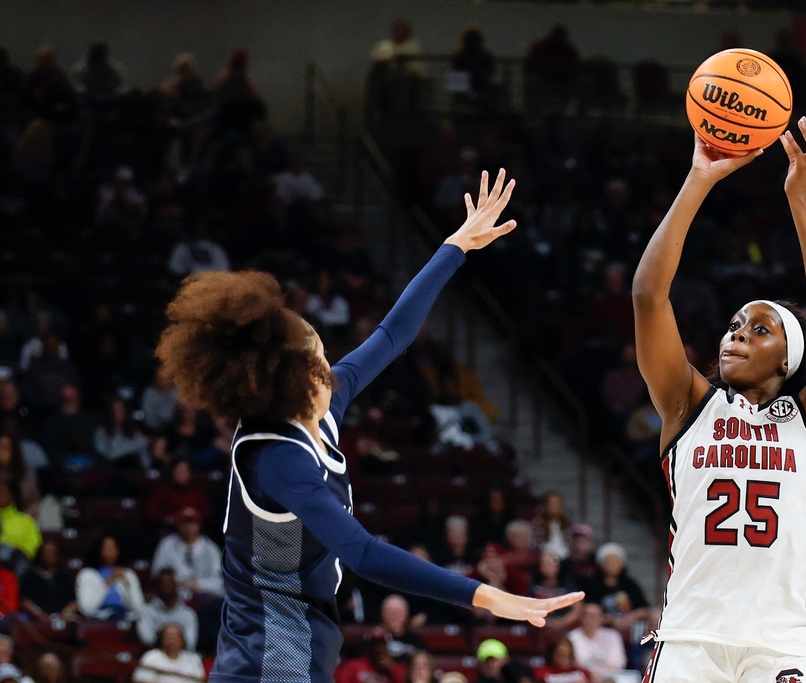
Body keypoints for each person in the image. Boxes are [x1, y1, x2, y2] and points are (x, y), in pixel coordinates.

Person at [155, 170, 582, 682]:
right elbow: (363, 553)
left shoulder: (323, 408)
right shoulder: (278, 459)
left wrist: (456, 246)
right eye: (318, 352)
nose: (330, 357)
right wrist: (486, 596)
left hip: (298, 646)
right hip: (272, 658)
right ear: (298, 376)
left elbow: (393, 334)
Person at [631, 119, 806, 683]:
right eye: (735, 324)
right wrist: (697, 179)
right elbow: (647, 295)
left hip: (782, 643)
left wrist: (799, 199)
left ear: (789, 358)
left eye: (760, 330)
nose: (737, 333)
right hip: (689, 640)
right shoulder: (688, 406)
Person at [75, 534, 146, 621]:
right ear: (99, 550)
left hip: (125, 617)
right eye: (106, 547)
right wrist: (107, 582)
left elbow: (139, 607)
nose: (110, 550)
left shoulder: (128, 574)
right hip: (99, 618)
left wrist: (127, 585)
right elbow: (87, 608)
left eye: (113, 547)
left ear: (118, 551)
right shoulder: (87, 575)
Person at [137, 569, 199, 652]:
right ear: (156, 587)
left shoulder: (188, 614)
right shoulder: (146, 611)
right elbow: (146, 639)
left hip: (183, 657)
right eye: (162, 584)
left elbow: (190, 643)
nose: (165, 587)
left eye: (169, 583)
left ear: (176, 585)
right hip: (156, 655)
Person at [133, 623, 206, 683]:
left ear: (183, 640)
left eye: (175, 637)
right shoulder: (151, 657)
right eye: (168, 637)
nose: (171, 641)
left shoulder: (193, 659)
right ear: (161, 639)